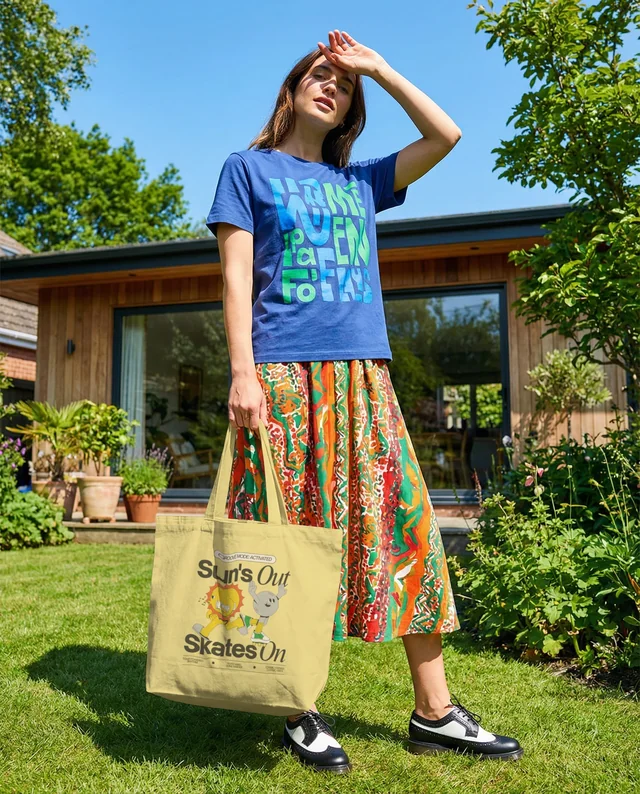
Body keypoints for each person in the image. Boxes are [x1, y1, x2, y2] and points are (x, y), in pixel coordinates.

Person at [205, 29, 523, 773]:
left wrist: (377, 67)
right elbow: (235, 279)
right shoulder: (246, 170)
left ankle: (435, 712)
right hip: (284, 380)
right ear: (291, 90)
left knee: (408, 528)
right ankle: (296, 706)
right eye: (321, 76)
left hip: (363, 380)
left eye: (342, 85)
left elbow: (446, 133)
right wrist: (243, 373)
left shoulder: (360, 182)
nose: (332, 87)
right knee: (291, 543)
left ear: (352, 108)